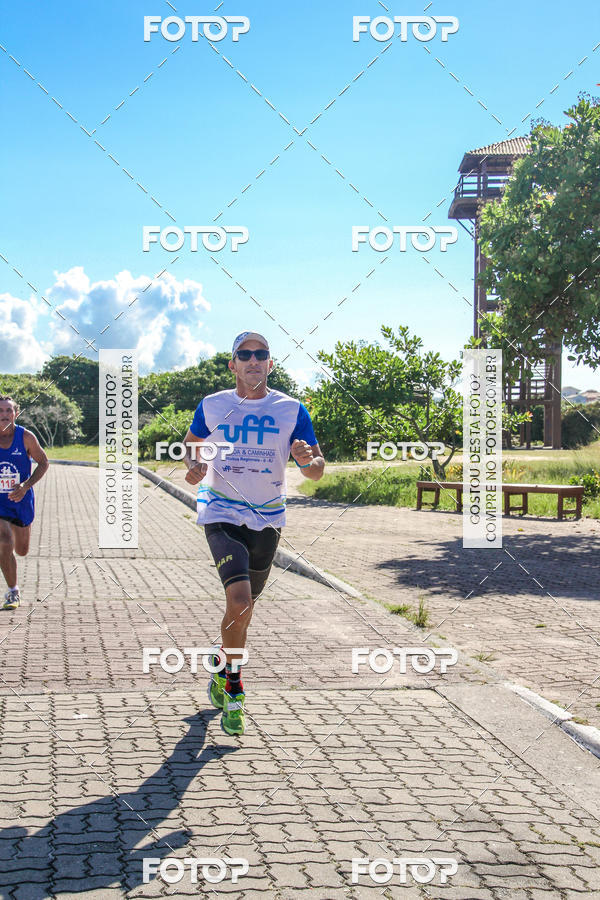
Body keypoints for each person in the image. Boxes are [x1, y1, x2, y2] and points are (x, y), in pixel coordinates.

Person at [182, 333, 324, 735]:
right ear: (233, 365)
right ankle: (235, 688)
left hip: (268, 519)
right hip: (222, 512)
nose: (253, 360)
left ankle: (220, 661)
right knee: (240, 602)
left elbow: (317, 469)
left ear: (270, 364)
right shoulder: (213, 404)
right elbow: (191, 445)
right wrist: (194, 465)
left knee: (243, 611)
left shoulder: (291, 409)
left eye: (261, 354)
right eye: (244, 355)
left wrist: (307, 461)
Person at [0, 396, 49, 610]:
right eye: (0, 411)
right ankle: (13, 592)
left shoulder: (26, 437)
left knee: (21, 550)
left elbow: (43, 462)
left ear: (16, 414)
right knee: (4, 541)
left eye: (8, 410)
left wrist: (25, 485)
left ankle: (9, 548)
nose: (4, 415)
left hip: (21, 501)